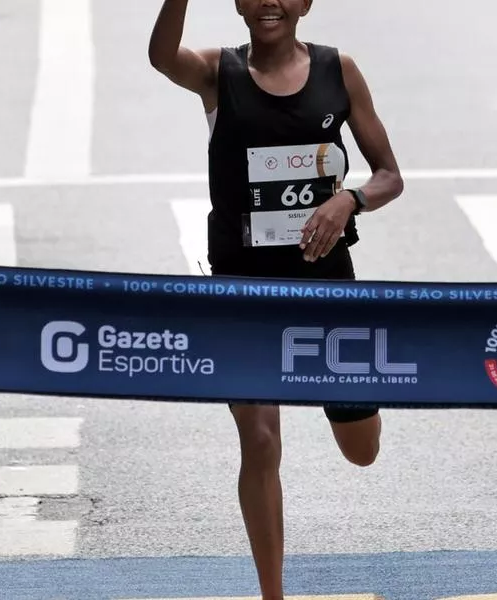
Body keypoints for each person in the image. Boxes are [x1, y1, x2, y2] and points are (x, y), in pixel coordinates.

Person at [149, 0, 404, 597]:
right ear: (238, 5)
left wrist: (350, 201)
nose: (269, 4)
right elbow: (163, 58)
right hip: (243, 289)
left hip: (326, 285)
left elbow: (390, 174)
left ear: (305, 4)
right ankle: (272, 593)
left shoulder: (338, 70)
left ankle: (340, 399)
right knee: (260, 438)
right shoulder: (219, 73)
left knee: (361, 450)